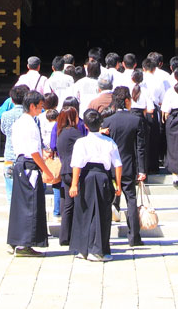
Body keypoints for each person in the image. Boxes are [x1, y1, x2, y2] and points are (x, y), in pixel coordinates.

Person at [7, 91, 57, 257]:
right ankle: (24, 245)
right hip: (29, 165)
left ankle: (15, 241)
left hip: (21, 164)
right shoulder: (29, 124)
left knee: (20, 205)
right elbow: (33, 152)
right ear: (32, 106)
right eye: (40, 107)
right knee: (30, 206)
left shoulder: (20, 122)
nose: (42, 110)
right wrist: (47, 170)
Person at [69, 108, 122, 262]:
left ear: (85, 125)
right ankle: (96, 250)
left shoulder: (81, 142)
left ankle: (83, 249)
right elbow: (117, 164)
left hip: (85, 176)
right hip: (102, 177)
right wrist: (118, 184)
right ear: (101, 124)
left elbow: (76, 164)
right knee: (101, 214)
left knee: (84, 211)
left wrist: (74, 184)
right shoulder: (109, 142)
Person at [104, 86, 147, 246]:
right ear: (127, 100)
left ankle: (105, 236)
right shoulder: (136, 120)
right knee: (131, 199)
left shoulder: (108, 121)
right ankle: (134, 237)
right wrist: (142, 169)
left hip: (111, 167)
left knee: (108, 200)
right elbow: (140, 148)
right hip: (128, 165)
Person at [54, 105, 83, 247]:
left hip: (64, 170)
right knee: (76, 204)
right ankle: (76, 234)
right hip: (73, 171)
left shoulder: (61, 132)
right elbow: (85, 142)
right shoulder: (73, 132)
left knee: (67, 205)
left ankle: (64, 236)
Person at [0, 84, 29, 202]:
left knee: (10, 192)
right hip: (26, 157)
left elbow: (4, 130)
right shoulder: (31, 116)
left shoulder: (5, 115)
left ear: (11, 99)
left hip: (10, 155)